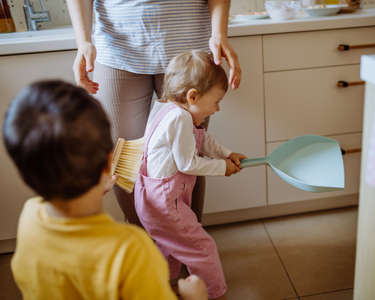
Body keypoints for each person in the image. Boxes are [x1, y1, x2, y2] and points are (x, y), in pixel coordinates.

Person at [3, 80, 208, 300]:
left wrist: (99, 185)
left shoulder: (29, 217)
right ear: (109, 162)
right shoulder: (130, 249)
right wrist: (192, 297)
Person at [66, 0, 242, 227]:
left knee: (189, 150)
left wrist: (219, 33)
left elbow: (191, 159)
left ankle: (189, 240)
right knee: (124, 160)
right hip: (117, 46)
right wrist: (83, 41)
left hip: (188, 49)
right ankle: (146, 249)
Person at [134, 50, 246, 300]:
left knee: (169, 246)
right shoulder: (180, 119)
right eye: (215, 101)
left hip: (153, 199)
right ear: (192, 96)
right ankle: (215, 294)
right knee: (201, 247)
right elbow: (187, 163)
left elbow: (202, 139)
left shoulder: (165, 108)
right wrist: (222, 167)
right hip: (166, 203)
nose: (217, 109)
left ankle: (168, 289)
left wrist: (227, 154)